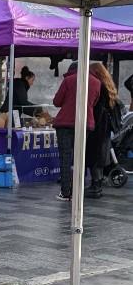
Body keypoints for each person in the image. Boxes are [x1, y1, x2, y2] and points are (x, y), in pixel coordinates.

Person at [53, 61, 101, 201]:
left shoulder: (69, 80)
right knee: (80, 158)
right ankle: (79, 190)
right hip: (85, 124)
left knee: (65, 158)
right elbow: (94, 102)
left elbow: (57, 102)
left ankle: (65, 192)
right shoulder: (96, 82)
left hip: (65, 124)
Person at [85, 63, 119, 198]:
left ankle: (95, 186)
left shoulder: (98, 85)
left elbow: (96, 108)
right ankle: (96, 185)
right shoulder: (109, 86)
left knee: (94, 156)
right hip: (105, 128)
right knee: (99, 157)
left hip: (97, 126)